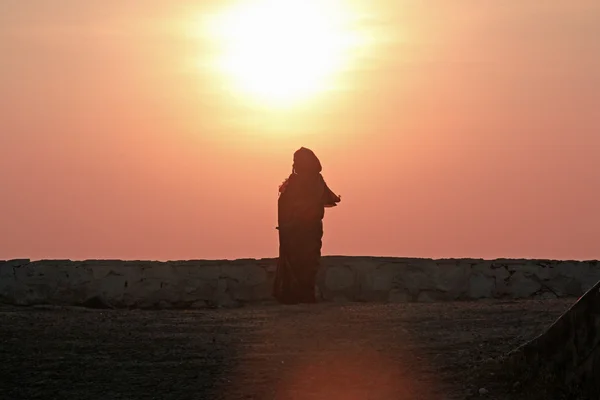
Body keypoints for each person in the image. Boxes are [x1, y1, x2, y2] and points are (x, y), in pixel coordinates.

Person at [273, 147, 341, 304]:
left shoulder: (314, 180)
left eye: (298, 161)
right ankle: (293, 294)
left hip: (308, 229)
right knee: (295, 261)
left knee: (308, 261)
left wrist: (297, 214)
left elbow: (319, 199)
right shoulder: (294, 181)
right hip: (293, 230)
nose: (295, 164)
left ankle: (305, 294)